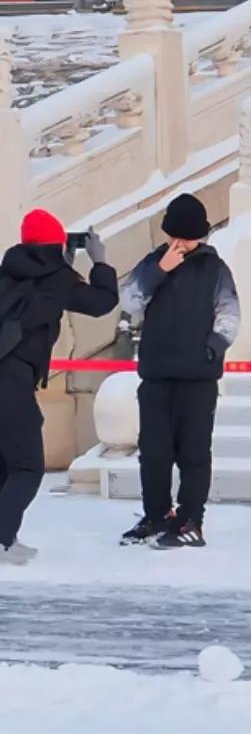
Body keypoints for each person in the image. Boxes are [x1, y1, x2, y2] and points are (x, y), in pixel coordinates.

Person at [119, 194, 240, 550]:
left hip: (198, 379)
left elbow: (230, 316)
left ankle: (191, 519)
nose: (180, 244)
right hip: (156, 374)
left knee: (194, 453)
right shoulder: (152, 263)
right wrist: (161, 271)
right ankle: (157, 514)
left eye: (186, 238)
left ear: (200, 236)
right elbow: (129, 302)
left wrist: (210, 349)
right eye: (175, 236)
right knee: (153, 453)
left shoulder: (215, 269)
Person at [0, 210, 118, 564]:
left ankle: (6, 536)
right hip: (13, 378)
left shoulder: (8, 271)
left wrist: (63, 266)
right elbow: (101, 302)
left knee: (5, 464)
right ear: (57, 245)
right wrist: (99, 263)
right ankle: (2, 540)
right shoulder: (58, 279)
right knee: (27, 467)